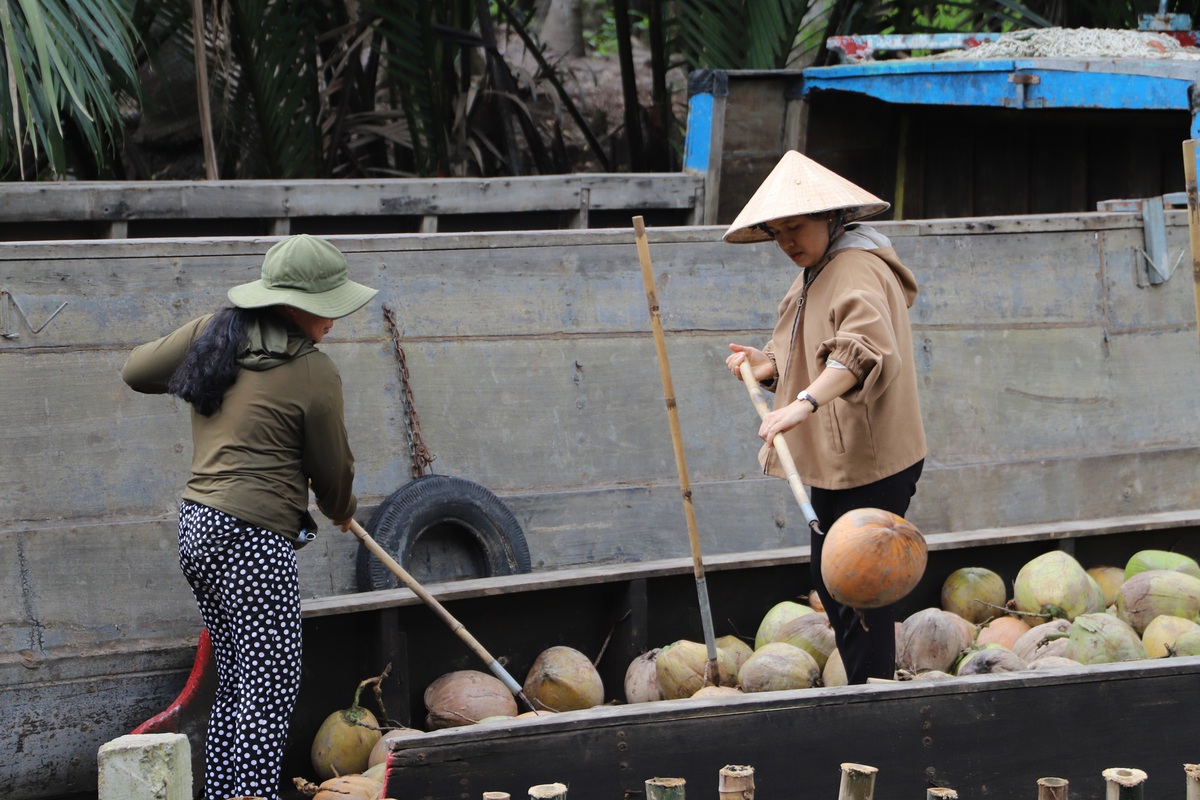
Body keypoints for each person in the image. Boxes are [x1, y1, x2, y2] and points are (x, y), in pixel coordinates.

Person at [122, 234, 377, 800]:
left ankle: (225, 797)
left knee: (238, 680)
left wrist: (208, 356)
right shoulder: (314, 371)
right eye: (325, 306)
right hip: (251, 538)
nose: (333, 319)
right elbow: (332, 469)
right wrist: (340, 511)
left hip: (199, 530)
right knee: (270, 684)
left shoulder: (214, 332)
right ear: (291, 303)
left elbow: (137, 370)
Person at [723, 150, 926, 685]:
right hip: (836, 461)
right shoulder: (817, 270)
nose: (787, 241)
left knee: (859, 588)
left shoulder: (855, 267)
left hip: (871, 460)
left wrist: (803, 403)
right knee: (831, 578)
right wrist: (767, 368)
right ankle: (868, 691)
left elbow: (859, 351)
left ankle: (871, 699)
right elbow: (809, 351)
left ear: (832, 218)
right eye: (777, 232)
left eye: (797, 227)